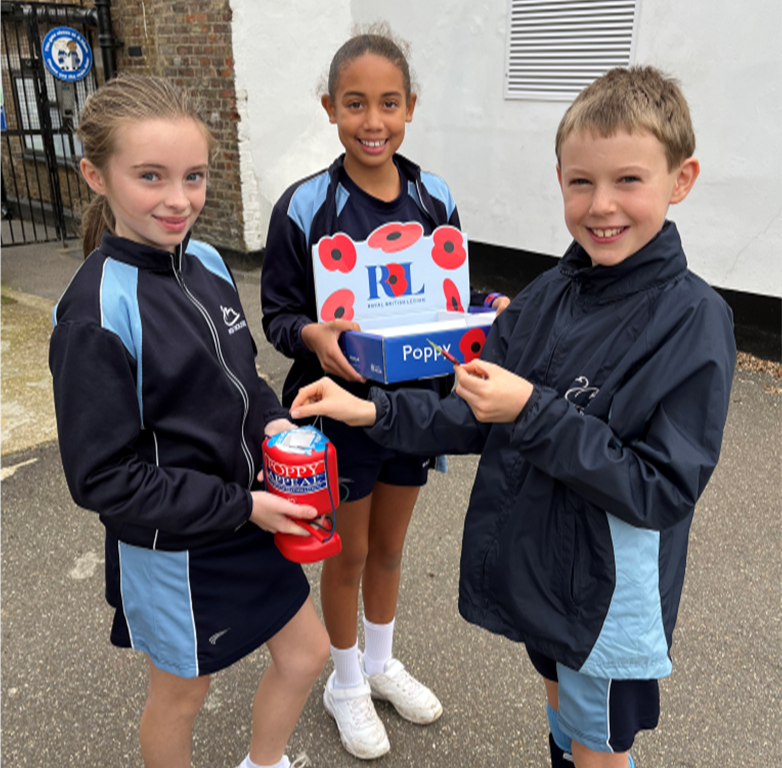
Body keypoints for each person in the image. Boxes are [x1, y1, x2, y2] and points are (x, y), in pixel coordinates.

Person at [289, 66, 737, 768]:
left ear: (680, 180)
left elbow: (661, 490)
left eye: (630, 180)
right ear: (559, 177)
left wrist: (532, 409)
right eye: (581, 181)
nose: (601, 205)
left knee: (597, 749)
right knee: (562, 716)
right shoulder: (548, 296)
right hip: (544, 578)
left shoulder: (695, 318)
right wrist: (368, 406)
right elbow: (468, 414)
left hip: (604, 600)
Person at [49, 75, 329, 768]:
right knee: (183, 695)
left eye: (194, 176)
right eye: (151, 176)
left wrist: (273, 429)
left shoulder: (203, 259)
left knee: (307, 653)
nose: (180, 200)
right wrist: (244, 505)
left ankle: (264, 763)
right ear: (96, 175)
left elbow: (244, 376)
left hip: (253, 513)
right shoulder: (93, 315)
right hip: (175, 547)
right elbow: (104, 481)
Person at [261, 23, 508, 760]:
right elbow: (278, 314)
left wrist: (484, 314)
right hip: (338, 410)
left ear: (411, 107)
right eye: (356, 104)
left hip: (415, 408)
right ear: (330, 106)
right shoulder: (306, 208)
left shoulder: (434, 196)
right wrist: (316, 337)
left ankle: (379, 661)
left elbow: (447, 298)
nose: (374, 122)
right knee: (350, 548)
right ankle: (343, 681)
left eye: (389, 103)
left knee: (392, 546)